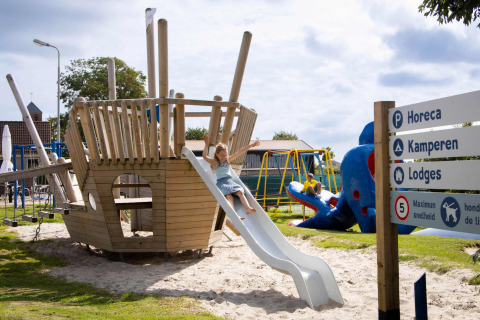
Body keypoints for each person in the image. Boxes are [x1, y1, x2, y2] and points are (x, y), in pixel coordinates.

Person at [203, 134, 260, 216]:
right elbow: (204, 156)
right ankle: (235, 215)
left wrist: (251, 145)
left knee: (240, 192)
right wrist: (206, 144)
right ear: (217, 154)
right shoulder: (214, 162)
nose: (224, 157)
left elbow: (239, 152)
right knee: (230, 197)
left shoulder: (227, 160)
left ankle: (248, 208)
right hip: (221, 183)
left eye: (225, 155)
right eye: (222, 155)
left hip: (230, 181)